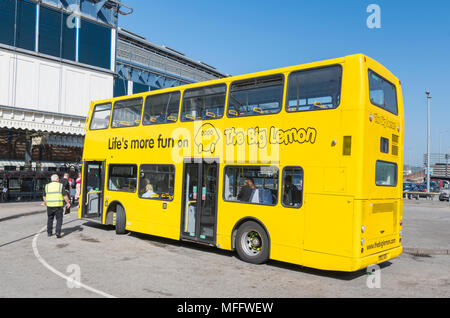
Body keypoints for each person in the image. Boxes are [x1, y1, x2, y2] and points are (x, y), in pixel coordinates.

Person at [43, 174, 71, 238]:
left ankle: (49, 232)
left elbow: (44, 196)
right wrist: (68, 202)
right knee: (59, 219)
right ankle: (58, 232)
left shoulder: (47, 186)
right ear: (57, 179)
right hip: (58, 206)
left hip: (49, 206)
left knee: (50, 219)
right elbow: (65, 196)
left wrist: (45, 202)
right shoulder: (60, 186)